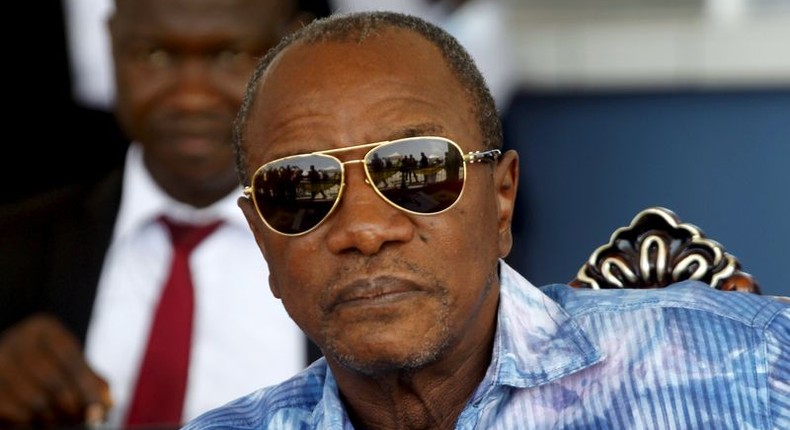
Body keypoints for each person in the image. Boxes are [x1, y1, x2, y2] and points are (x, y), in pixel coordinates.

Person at [182, 11, 789, 429]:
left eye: (416, 172)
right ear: (262, 236)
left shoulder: (751, 366)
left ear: (501, 200)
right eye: (302, 188)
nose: (364, 229)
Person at [0, 0, 331, 427]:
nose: (191, 98)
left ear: (295, 44)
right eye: (154, 55)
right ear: (112, 40)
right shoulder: (15, 245)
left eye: (228, 55)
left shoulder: (360, 242)